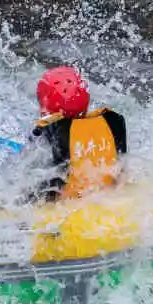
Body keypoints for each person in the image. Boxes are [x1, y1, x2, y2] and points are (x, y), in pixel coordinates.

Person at [27, 66, 126, 203]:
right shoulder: (113, 121)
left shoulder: (47, 129)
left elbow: (29, 170)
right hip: (109, 197)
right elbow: (122, 165)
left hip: (66, 204)